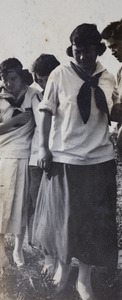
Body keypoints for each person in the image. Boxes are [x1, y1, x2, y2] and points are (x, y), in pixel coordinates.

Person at [32, 24, 119, 299]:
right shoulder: (60, 73)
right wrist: (43, 149)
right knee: (64, 223)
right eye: (77, 52)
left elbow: (114, 111)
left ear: (98, 50)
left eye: (88, 51)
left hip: (100, 159)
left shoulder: (108, 77)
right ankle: (62, 272)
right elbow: (46, 112)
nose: (82, 57)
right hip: (65, 159)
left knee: (93, 225)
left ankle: (84, 280)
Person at [0, 58, 38, 271]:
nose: (8, 83)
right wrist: (15, 121)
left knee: (20, 205)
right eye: (4, 79)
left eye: (13, 78)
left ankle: (18, 249)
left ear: (21, 76)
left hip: (23, 154)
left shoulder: (33, 94)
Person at [28, 54, 60, 276]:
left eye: (46, 78)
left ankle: (58, 260)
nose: (42, 83)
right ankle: (47, 258)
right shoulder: (34, 97)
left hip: (57, 158)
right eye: (38, 79)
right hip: (34, 160)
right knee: (37, 211)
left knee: (55, 210)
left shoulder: (64, 93)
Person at [102, 20, 122, 270]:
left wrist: (102, 107)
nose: (112, 51)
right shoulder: (120, 72)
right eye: (109, 48)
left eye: (115, 46)